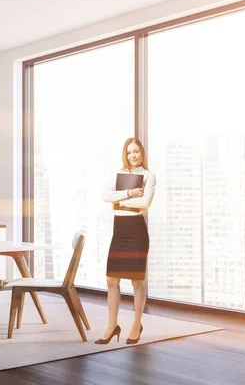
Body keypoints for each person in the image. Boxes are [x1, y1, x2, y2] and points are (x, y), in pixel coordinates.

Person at [96, 137, 156, 345]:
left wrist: (118, 199)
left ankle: (136, 324)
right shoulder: (118, 174)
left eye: (137, 151)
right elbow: (105, 196)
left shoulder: (149, 176)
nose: (133, 155)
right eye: (130, 152)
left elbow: (144, 202)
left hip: (137, 232)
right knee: (112, 280)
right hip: (119, 231)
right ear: (125, 154)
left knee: (137, 282)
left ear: (142, 153)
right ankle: (112, 326)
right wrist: (129, 193)